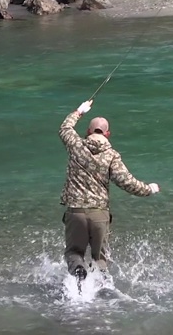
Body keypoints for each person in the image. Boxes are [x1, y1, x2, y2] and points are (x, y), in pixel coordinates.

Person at [58, 99, 160, 281]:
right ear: (108, 134)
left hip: (76, 212)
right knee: (100, 260)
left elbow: (65, 128)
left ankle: (79, 274)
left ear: (89, 131)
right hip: (99, 215)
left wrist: (80, 111)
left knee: (74, 253)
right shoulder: (112, 156)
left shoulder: (76, 146)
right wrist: (149, 189)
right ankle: (103, 293)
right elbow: (128, 183)